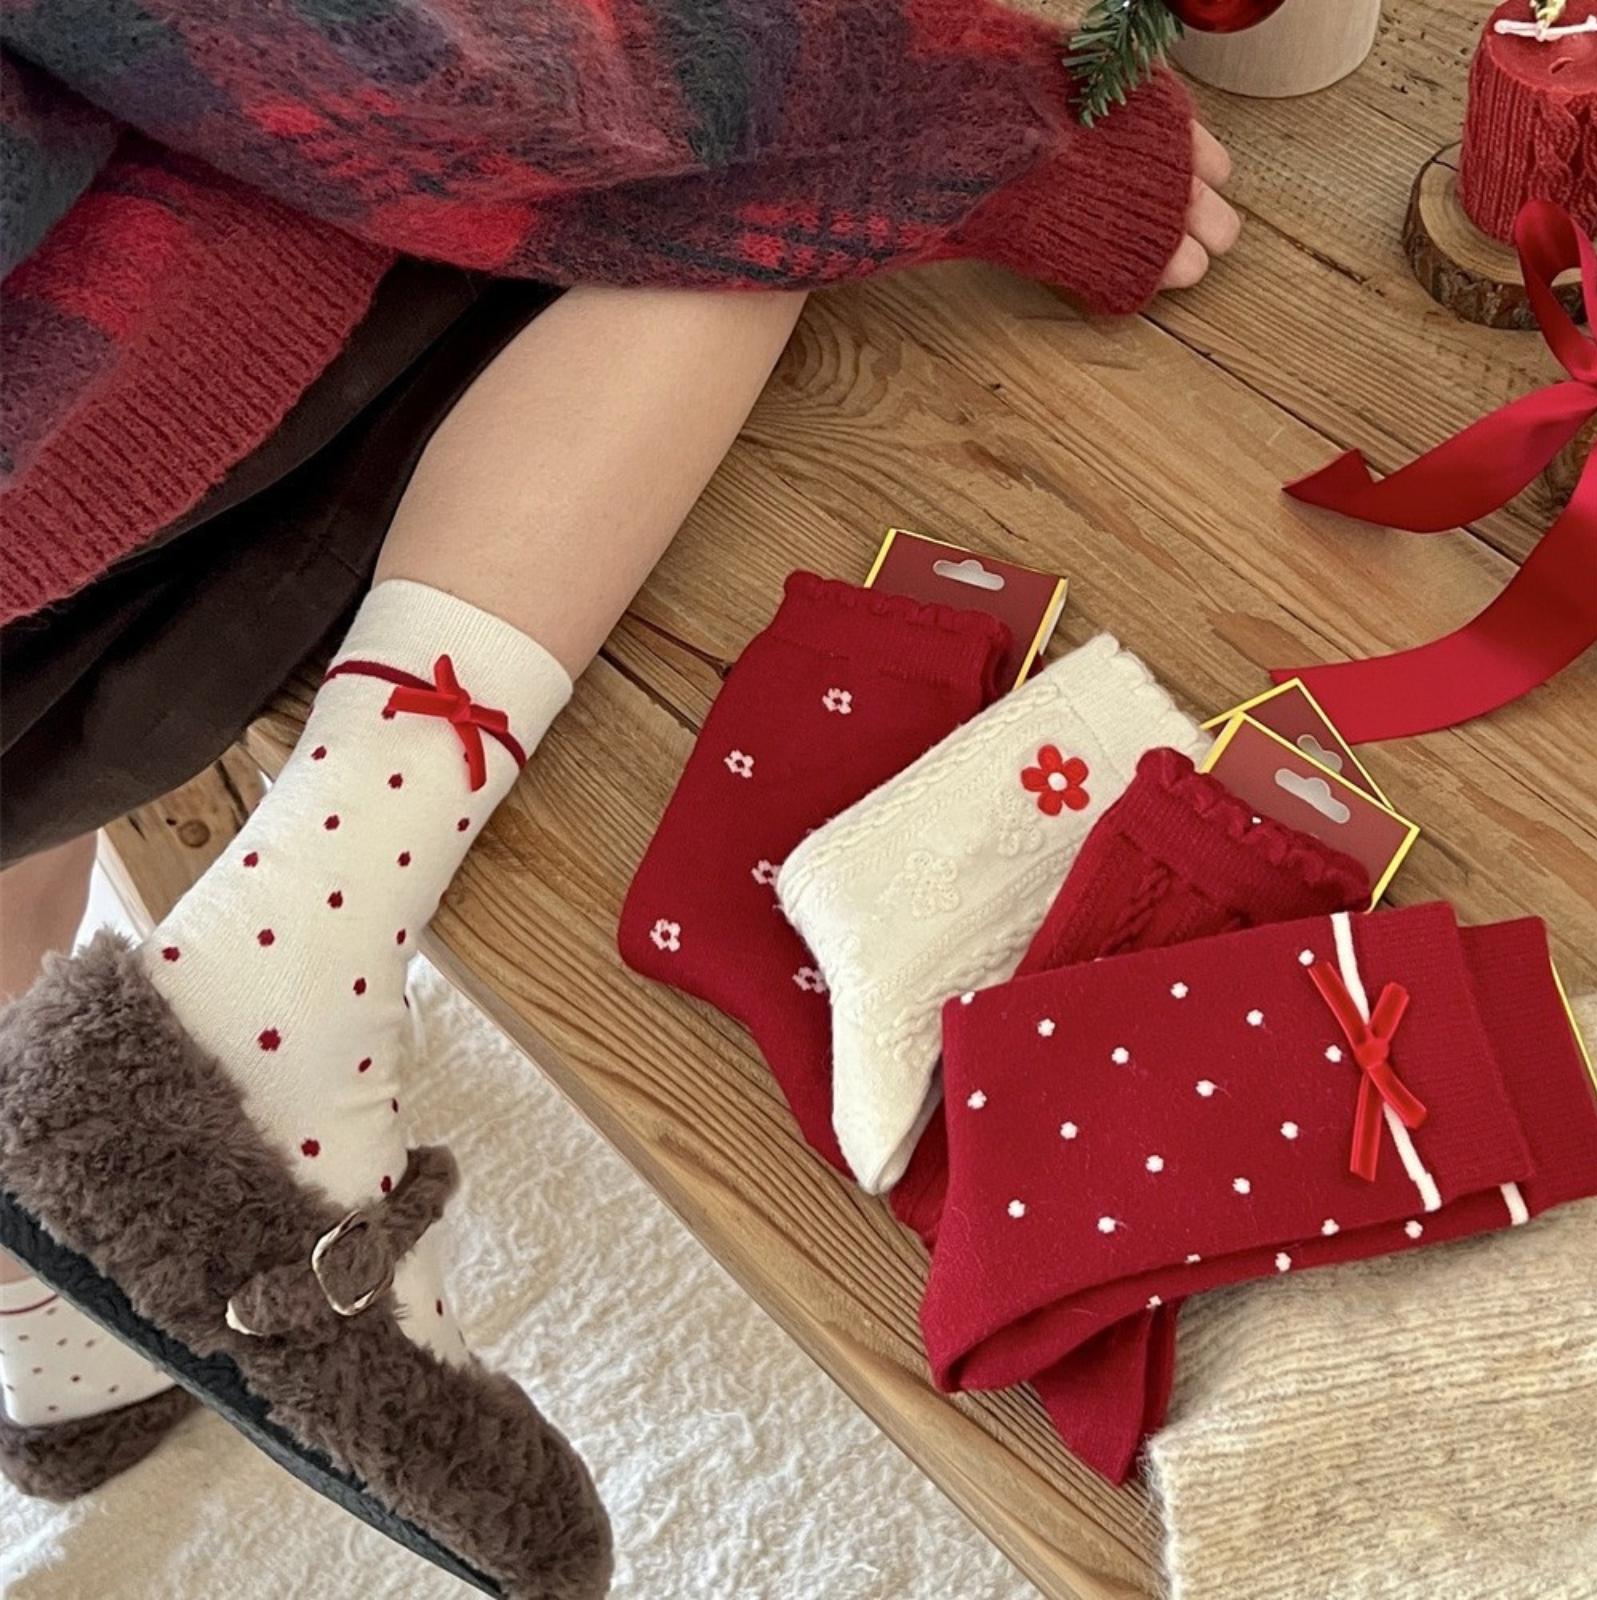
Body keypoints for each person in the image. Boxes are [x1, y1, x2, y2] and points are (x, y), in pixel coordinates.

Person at [0, 2, 1238, 1590]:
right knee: (777, 144)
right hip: (85, 380)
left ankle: (50, 1308)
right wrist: (975, 127)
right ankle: (302, 946)